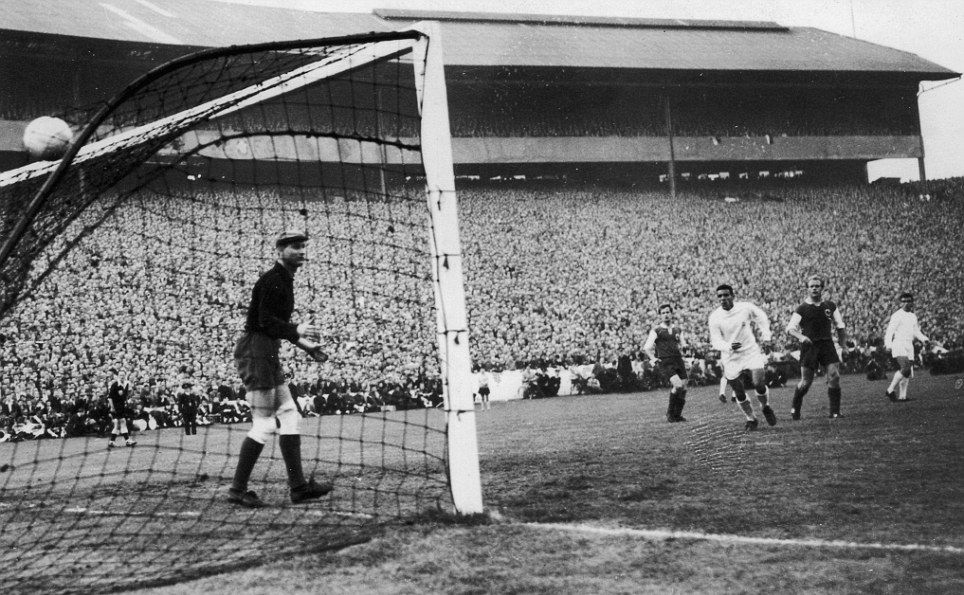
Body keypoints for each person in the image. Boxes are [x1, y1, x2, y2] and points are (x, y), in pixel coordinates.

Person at [227, 230, 333, 508]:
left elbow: (274, 325)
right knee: (263, 423)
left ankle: (298, 487)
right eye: (295, 247)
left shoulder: (283, 279)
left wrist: (306, 345)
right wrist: (296, 329)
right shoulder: (274, 280)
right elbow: (264, 321)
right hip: (256, 351)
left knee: (289, 414)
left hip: (266, 349)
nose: (301, 251)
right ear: (280, 250)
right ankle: (237, 489)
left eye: (303, 247)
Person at [708, 284, 777, 431]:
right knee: (739, 392)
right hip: (731, 357)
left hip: (750, 352)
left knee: (758, 382)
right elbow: (715, 340)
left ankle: (765, 407)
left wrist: (766, 337)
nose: (723, 298)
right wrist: (728, 346)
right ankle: (751, 419)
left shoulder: (745, 308)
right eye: (720, 296)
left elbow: (762, 318)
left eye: (726, 295)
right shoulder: (715, 317)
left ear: (732, 296)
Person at [786, 275, 848, 419]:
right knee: (806, 382)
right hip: (810, 346)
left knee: (834, 376)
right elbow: (790, 329)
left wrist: (843, 345)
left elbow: (840, 326)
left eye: (817, 286)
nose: (814, 288)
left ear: (822, 288)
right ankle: (796, 406)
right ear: (807, 289)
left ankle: (835, 411)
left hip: (827, 344)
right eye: (811, 286)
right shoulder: (802, 308)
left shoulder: (830, 306)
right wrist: (802, 337)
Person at [643, 303, 688, 422]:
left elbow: (683, 344)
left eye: (668, 312)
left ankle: (677, 415)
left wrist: (685, 347)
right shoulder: (657, 330)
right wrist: (653, 358)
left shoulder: (677, 329)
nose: (666, 315)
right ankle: (670, 414)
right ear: (660, 315)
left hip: (678, 359)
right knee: (677, 385)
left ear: (671, 313)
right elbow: (647, 347)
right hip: (666, 361)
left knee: (683, 389)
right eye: (663, 313)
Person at [884, 292, 929, 402]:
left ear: (912, 303)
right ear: (900, 303)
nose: (906, 303)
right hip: (899, 344)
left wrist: (924, 339)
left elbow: (916, 331)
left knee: (908, 372)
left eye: (908, 301)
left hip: (909, 344)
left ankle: (902, 396)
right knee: (905, 368)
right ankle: (890, 390)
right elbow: (890, 331)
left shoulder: (913, 316)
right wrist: (888, 344)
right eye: (903, 301)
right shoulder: (897, 315)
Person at [106, 369, 136, 448]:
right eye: (120, 375)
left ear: (125, 376)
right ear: (118, 376)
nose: (122, 376)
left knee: (118, 423)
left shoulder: (126, 384)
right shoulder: (115, 384)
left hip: (121, 406)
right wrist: (112, 407)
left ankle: (112, 441)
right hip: (116, 407)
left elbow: (125, 396)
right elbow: (109, 398)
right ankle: (127, 440)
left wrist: (127, 401)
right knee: (122, 422)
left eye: (123, 375)